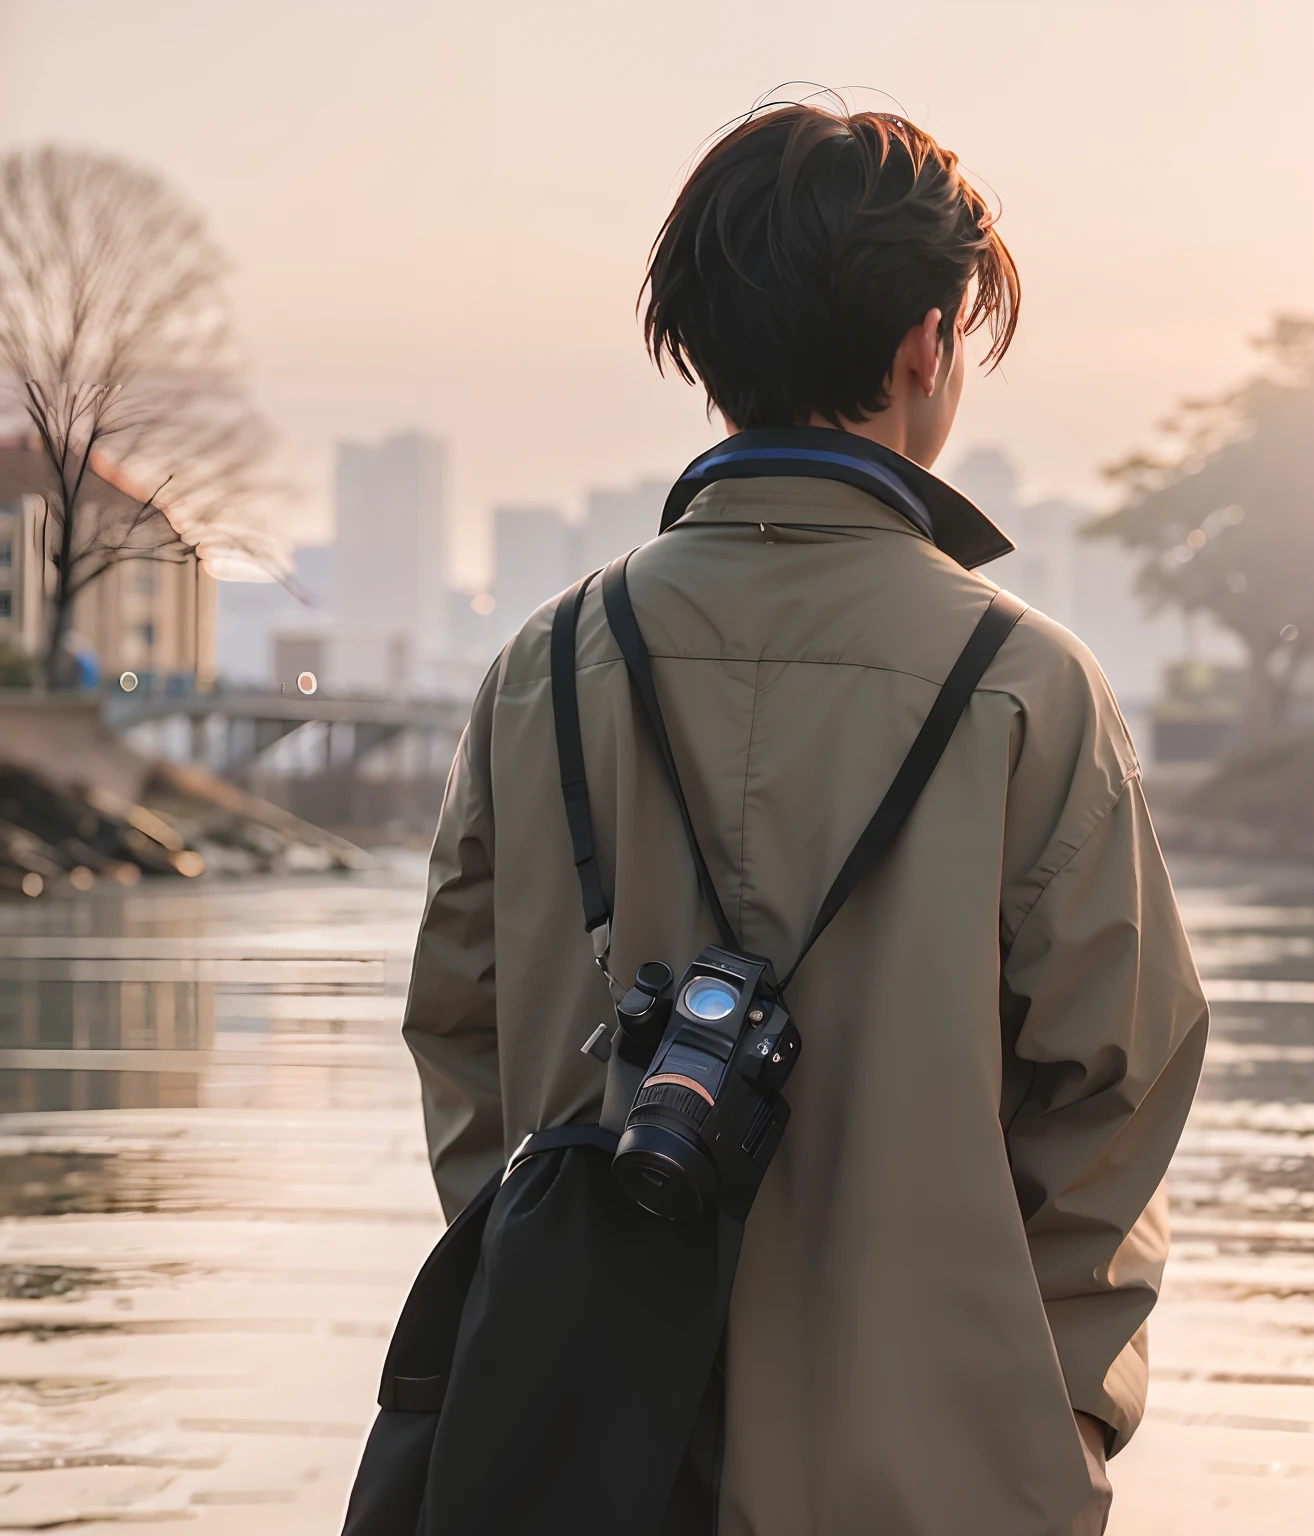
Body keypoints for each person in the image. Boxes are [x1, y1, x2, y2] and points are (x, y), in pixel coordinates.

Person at [403, 101, 1208, 1536]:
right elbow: (1119, 1087)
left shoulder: (544, 669)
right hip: (938, 1485)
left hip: (578, 1469)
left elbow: (464, 1038)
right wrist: (1060, 1413)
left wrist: (540, 1298)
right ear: (925, 344)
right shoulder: (1023, 687)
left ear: (702, 351)